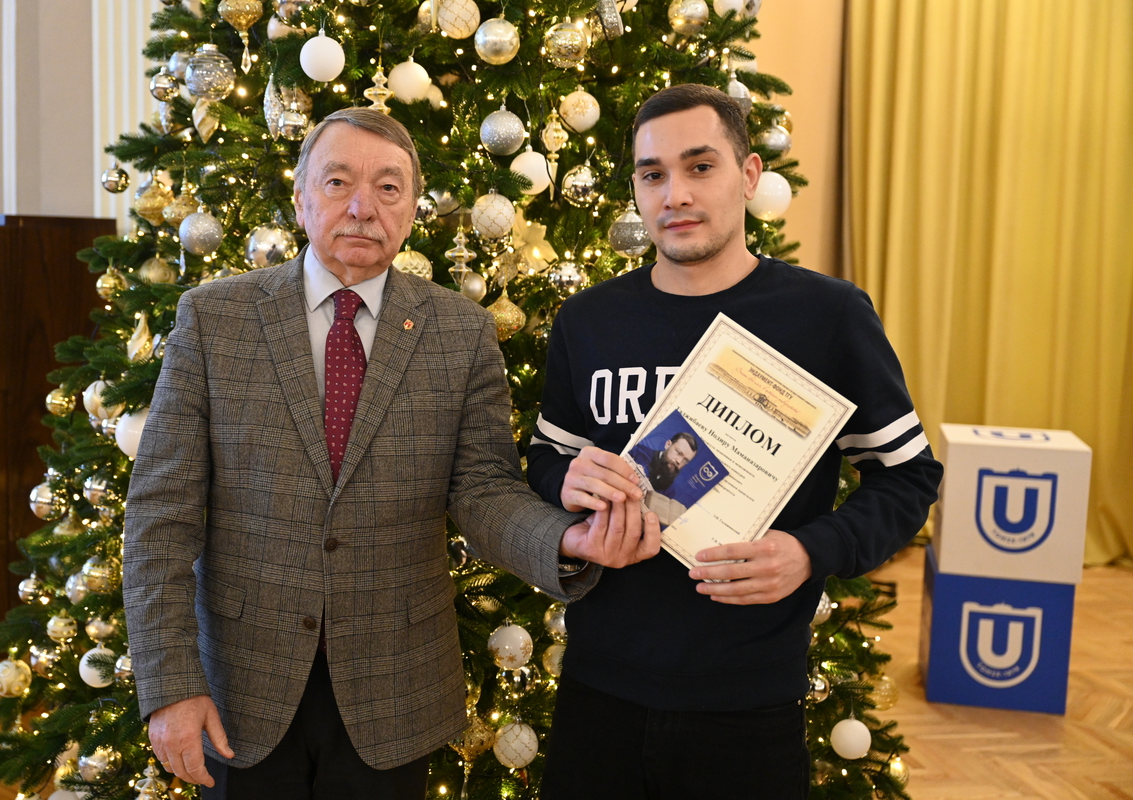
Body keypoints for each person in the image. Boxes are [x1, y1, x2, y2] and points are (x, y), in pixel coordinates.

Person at [122, 108, 660, 800]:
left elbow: (484, 490)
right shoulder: (214, 318)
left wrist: (567, 541)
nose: (361, 207)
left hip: (395, 691)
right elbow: (160, 515)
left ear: (410, 210)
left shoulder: (460, 332)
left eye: (387, 187)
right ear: (300, 198)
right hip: (239, 688)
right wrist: (170, 686)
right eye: (338, 182)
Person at [526, 84, 943, 799]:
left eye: (700, 166)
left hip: (749, 701)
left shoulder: (827, 316)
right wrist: (563, 480)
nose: (676, 195)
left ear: (749, 175)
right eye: (653, 174)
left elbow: (908, 478)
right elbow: (545, 458)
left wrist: (810, 551)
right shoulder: (588, 320)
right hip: (598, 689)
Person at [628, 430, 698, 493]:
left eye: (685, 460)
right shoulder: (638, 452)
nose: (679, 461)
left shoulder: (669, 492)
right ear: (668, 444)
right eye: (679, 452)